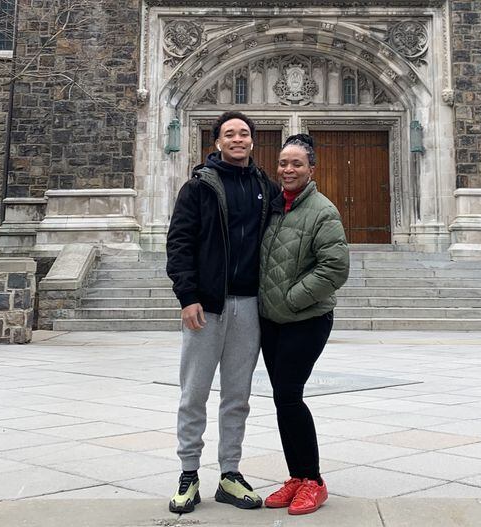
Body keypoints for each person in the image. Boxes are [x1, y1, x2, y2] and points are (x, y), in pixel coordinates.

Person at [166, 111, 279, 513]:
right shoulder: (197, 188)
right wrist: (188, 295)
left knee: (238, 396)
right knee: (193, 393)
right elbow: (179, 243)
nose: (237, 139)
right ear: (216, 142)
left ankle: (230, 474)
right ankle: (188, 474)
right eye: (229, 133)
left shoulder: (266, 186)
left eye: (244, 133)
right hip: (207, 307)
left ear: (252, 141)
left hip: (250, 306)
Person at [258, 134, 350, 515]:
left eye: (296, 164)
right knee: (281, 398)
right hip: (272, 321)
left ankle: (313, 480)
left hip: (306, 319)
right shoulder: (274, 207)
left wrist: (292, 298)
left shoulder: (322, 211)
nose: (288, 170)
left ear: (312, 169)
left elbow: (335, 268)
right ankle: (296, 476)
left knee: (290, 395)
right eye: (283, 163)